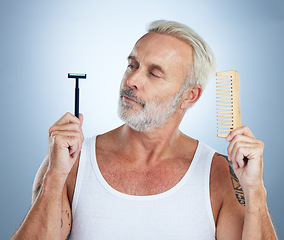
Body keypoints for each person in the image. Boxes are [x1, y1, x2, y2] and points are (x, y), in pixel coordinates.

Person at [11, 20, 277, 240]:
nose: (132, 80)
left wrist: (255, 191)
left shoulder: (219, 175)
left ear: (189, 96)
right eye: (132, 65)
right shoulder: (72, 162)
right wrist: (55, 178)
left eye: (154, 73)